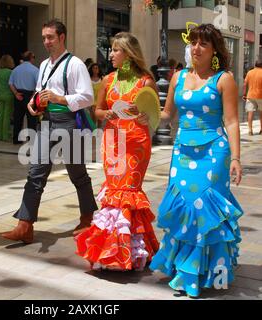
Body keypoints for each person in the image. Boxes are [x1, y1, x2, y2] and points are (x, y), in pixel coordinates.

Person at [149, 24, 243, 297]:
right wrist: (147, 113)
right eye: (194, 43)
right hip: (182, 152)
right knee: (184, 206)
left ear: (214, 50)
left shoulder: (223, 79)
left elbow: (232, 121)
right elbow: (167, 115)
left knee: (204, 208)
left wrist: (236, 157)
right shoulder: (178, 76)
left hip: (214, 152)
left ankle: (207, 271)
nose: (196, 48)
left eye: (203, 44)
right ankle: (187, 271)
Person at [1, 19, 98, 244]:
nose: (46, 42)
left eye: (50, 37)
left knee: (77, 173)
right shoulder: (43, 65)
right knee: (36, 171)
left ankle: (87, 216)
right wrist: (33, 104)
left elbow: (87, 97)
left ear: (62, 37)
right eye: (44, 37)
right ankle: (24, 225)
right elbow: (39, 91)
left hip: (69, 122)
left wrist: (58, 98)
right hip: (47, 122)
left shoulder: (75, 64)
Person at [75, 32, 160, 271]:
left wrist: (145, 117)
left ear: (128, 54)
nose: (110, 54)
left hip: (136, 144)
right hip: (112, 142)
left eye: (115, 50)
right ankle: (112, 249)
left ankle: (131, 251)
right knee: (113, 192)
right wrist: (106, 114)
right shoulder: (108, 80)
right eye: (111, 50)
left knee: (129, 191)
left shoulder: (146, 82)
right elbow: (97, 111)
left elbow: (154, 116)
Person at [9, 51, 39, 144]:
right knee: (32, 119)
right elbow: (38, 85)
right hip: (30, 95)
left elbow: (10, 83)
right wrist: (33, 96)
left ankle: (16, 139)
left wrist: (16, 93)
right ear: (31, 58)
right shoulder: (35, 70)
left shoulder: (16, 69)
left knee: (18, 118)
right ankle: (32, 140)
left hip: (18, 95)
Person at [0, 54, 15, 142]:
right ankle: (5, 135)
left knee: (0, 115)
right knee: (7, 116)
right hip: (9, 95)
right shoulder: (10, 72)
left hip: (0, 95)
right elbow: (12, 84)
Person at [242, 60, 262, 135]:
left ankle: (250, 130)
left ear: (255, 65)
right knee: (261, 113)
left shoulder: (250, 72)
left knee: (250, 113)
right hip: (261, 96)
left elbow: (245, 84)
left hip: (250, 95)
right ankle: (261, 129)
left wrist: (244, 94)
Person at [88, 63, 104, 127]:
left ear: (99, 69)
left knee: (100, 120)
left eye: (97, 68)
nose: (95, 69)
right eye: (94, 68)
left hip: (100, 102)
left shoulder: (102, 79)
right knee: (93, 119)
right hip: (92, 103)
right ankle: (94, 135)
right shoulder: (88, 79)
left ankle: (98, 133)